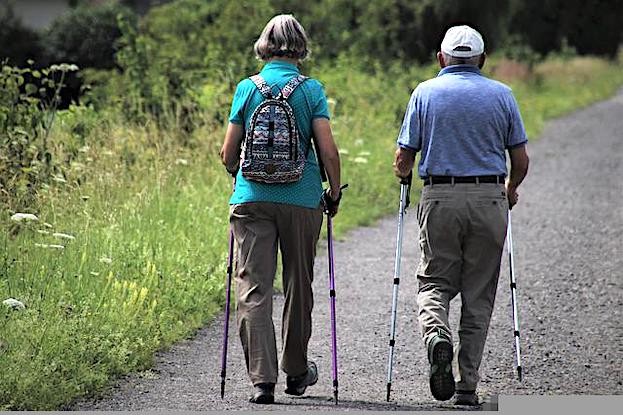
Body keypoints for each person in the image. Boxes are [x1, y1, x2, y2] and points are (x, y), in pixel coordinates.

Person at [393, 25, 529, 406]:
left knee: (434, 282)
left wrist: (402, 173)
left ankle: (437, 335)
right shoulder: (502, 95)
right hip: (489, 199)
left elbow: (404, 158)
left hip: (440, 197)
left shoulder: (425, 92)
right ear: (482, 60)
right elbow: (520, 160)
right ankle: (467, 385)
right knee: (479, 294)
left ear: (442, 58)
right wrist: (510, 189)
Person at [220, 14, 342, 404]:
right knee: (298, 285)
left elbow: (228, 153)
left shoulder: (246, 88)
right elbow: (327, 149)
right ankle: (296, 372)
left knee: (254, 287)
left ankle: (262, 380)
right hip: (302, 198)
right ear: (301, 46)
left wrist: (241, 178)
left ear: (264, 46)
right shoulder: (311, 90)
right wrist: (333, 192)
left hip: (252, 199)